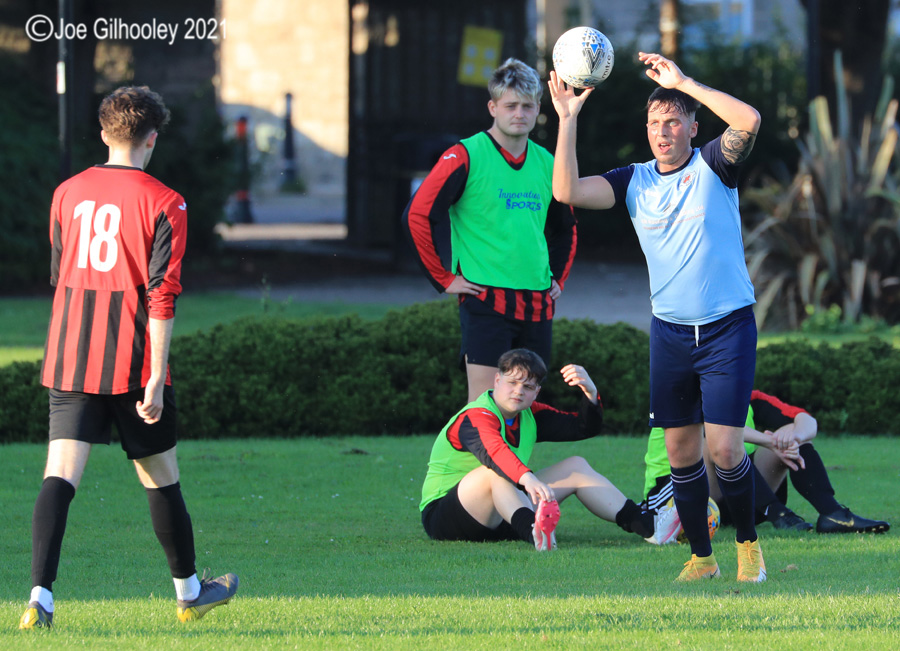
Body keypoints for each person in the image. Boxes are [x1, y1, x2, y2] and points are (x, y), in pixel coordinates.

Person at [19, 86, 238, 630]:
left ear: (103, 133)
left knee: (60, 474)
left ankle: (39, 598)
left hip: (71, 356)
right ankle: (189, 594)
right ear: (152, 139)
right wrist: (157, 376)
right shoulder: (166, 201)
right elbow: (162, 293)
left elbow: (60, 273)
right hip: (132, 361)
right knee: (160, 477)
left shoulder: (66, 193)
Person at [549, 52, 764, 581]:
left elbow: (749, 120)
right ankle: (702, 559)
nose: (662, 132)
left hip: (727, 329)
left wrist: (685, 83)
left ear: (693, 128)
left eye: (672, 121)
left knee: (725, 449)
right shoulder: (634, 180)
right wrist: (567, 120)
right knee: (679, 452)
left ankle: (748, 548)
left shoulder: (714, 165)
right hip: (670, 333)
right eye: (654, 123)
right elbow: (566, 191)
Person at [402, 58, 577, 403]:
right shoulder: (465, 155)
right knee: (485, 406)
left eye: (527, 106)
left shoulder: (548, 162)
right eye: (510, 105)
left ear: (538, 109)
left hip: (538, 303)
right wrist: (443, 278)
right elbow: (418, 215)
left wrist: (558, 277)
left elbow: (566, 227)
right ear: (493, 108)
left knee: (528, 406)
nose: (519, 114)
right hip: (485, 300)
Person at [419, 348, 680, 550]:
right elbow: (495, 453)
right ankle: (535, 532)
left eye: (528, 387)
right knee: (494, 473)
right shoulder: (476, 416)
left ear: (537, 392)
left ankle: (651, 527)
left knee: (576, 466)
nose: (518, 391)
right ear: (496, 380)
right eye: (512, 382)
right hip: (446, 518)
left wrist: (590, 393)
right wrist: (528, 479)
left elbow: (582, 427)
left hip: (504, 515)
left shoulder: (529, 414)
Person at [643, 390, 890, 534]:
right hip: (674, 499)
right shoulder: (688, 394)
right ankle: (778, 513)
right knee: (716, 442)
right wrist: (769, 441)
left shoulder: (749, 397)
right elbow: (717, 429)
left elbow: (807, 420)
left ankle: (833, 514)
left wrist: (792, 438)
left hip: (733, 500)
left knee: (791, 432)